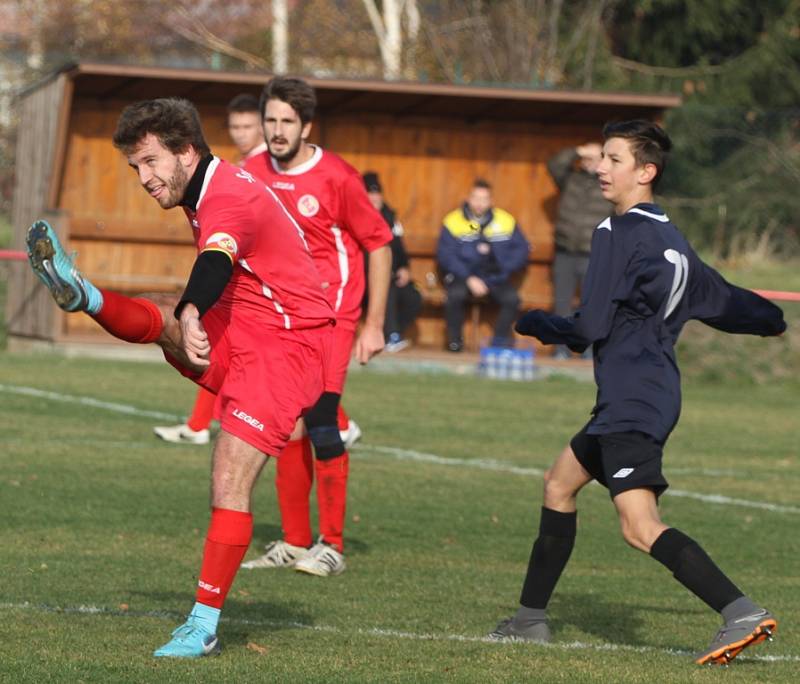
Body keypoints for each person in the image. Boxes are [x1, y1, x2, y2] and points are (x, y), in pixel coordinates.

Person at [25, 97, 336, 657]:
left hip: (286, 349)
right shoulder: (205, 189)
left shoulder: (230, 196)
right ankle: (86, 295)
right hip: (250, 322)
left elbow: (215, 259)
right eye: (135, 167)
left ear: (187, 152)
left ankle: (203, 624)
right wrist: (188, 311)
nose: (143, 178)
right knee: (159, 312)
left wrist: (195, 308)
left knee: (228, 477)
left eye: (149, 162)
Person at [490, 120, 785, 666]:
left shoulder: (616, 233)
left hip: (632, 398)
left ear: (645, 172)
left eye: (614, 160)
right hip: (644, 391)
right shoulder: (672, 240)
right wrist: (773, 319)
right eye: (601, 156)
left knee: (639, 526)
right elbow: (725, 300)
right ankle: (530, 620)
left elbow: (587, 329)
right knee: (559, 484)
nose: (600, 167)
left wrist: (535, 322)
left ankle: (739, 610)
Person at [240, 76, 392, 576]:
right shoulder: (253, 169)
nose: (278, 130)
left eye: (287, 121)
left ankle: (333, 546)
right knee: (285, 427)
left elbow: (378, 243)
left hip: (332, 316)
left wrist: (373, 324)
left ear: (307, 126)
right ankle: (293, 540)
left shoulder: (337, 177)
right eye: (271, 120)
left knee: (323, 422)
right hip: (280, 318)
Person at [153, 93, 269, 446]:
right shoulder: (236, 167)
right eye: (234, 127)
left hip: (264, 288)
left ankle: (337, 422)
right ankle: (200, 423)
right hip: (234, 275)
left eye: (248, 126)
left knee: (294, 395)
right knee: (212, 347)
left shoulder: (259, 171)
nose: (240, 134)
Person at [436, 179, 530, 352]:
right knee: (453, 296)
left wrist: (501, 272)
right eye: (476, 198)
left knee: (512, 300)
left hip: (495, 277)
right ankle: (455, 343)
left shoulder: (506, 220)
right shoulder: (453, 220)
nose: (479, 203)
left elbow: (522, 250)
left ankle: (498, 345)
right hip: (463, 276)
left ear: (491, 200)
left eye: (484, 199)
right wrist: (469, 278)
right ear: (469, 198)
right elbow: (446, 255)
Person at [546, 143, 611, 360]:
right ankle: (560, 349)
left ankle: (589, 349)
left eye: (593, 159)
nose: (588, 163)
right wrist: (578, 151)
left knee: (591, 304)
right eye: (586, 159)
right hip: (564, 251)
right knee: (561, 303)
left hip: (593, 253)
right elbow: (553, 164)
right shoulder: (570, 179)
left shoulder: (608, 184)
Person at [363, 170, 422, 352]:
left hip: (392, 275)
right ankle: (391, 335)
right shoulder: (355, 216)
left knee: (414, 297)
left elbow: (399, 248)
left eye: (377, 193)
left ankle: (391, 333)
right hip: (363, 278)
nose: (374, 198)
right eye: (370, 193)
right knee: (386, 285)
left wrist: (404, 267)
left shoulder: (389, 217)